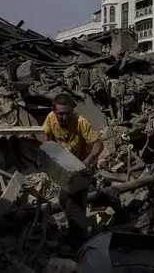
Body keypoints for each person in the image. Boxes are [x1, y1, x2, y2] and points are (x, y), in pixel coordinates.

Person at [41, 93, 104, 250]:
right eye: (61, 113)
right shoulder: (51, 118)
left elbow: (99, 144)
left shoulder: (80, 122)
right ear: (54, 111)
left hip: (84, 167)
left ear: (72, 110)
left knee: (75, 204)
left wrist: (87, 162)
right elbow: (45, 133)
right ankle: (75, 230)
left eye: (67, 113)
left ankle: (80, 242)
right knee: (63, 199)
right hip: (67, 165)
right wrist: (49, 150)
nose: (64, 117)